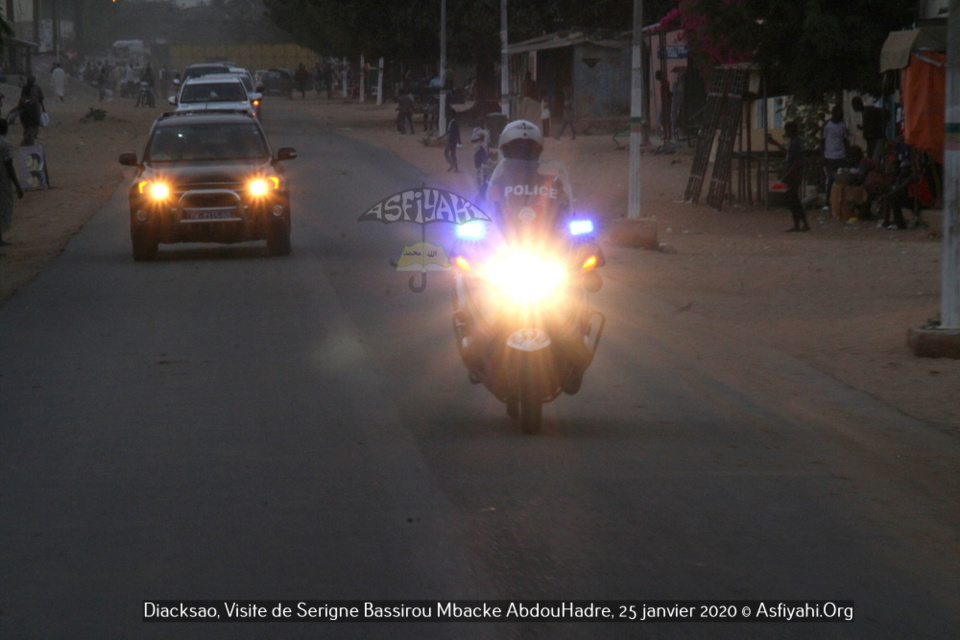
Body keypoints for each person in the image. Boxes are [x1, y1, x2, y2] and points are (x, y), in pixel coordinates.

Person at [767, 121, 810, 232]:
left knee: (793, 200)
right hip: (794, 173)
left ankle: (801, 224)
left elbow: (796, 162)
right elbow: (789, 154)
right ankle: (800, 224)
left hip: (794, 175)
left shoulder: (795, 143)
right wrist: (776, 144)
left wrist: (787, 174)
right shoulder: (795, 142)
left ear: (790, 131)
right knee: (793, 200)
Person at [0, 119, 25, 246]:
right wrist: (17, 185)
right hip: (2, 181)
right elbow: (9, 164)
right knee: (3, 208)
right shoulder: (5, 144)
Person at [821, 105, 849, 208]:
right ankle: (828, 202)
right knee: (830, 180)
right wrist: (823, 156)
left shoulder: (842, 125)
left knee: (841, 180)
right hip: (829, 156)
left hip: (841, 156)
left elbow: (845, 140)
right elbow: (822, 141)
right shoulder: (827, 125)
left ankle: (840, 202)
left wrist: (847, 155)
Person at [851, 96, 887, 160]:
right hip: (870, 141)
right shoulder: (865, 113)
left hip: (875, 140)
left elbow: (885, 114)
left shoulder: (869, 110)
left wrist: (880, 128)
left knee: (874, 159)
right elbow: (870, 125)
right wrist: (863, 127)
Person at [17, 75, 45, 146]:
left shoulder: (25, 88)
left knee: (27, 126)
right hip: (34, 110)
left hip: (26, 110)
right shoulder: (36, 88)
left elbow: (21, 99)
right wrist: (43, 107)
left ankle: (27, 139)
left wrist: (19, 108)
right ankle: (29, 140)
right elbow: (41, 98)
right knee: (34, 125)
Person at [471, 117, 489, 197]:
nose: (482, 124)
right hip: (477, 150)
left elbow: (488, 142)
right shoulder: (476, 130)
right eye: (481, 122)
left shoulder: (487, 131)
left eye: (483, 122)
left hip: (484, 151)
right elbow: (472, 140)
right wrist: (479, 139)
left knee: (485, 167)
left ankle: (485, 183)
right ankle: (478, 186)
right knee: (478, 169)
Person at [438, 106, 460, 172]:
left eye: (449, 114)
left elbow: (450, 131)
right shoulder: (452, 122)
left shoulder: (453, 122)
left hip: (451, 140)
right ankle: (454, 166)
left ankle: (454, 165)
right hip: (452, 140)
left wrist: (441, 136)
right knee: (450, 153)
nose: (448, 115)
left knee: (448, 153)